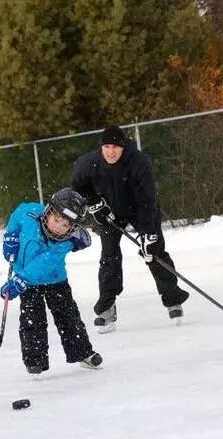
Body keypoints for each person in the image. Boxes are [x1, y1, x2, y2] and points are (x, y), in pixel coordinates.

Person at [70, 125, 189, 332]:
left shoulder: (139, 162)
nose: (110, 152)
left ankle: (173, 299)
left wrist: (149, 233)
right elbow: (77, 184)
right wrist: (94, 202)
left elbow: (148, 200)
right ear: (101, 148)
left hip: (139, 209)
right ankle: (106, 309)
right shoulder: (90, 162)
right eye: (106, 147)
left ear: (123, 147)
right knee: (109, 256)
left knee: (154, 252)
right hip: (109, 210)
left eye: (115, 147)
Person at [0, 188, 103, 374]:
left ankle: (82, 352)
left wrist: (21, 279)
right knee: (32, 320)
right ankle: (35, 360)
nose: (59, 227)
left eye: (66, 225)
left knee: (68, 317)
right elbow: (17, 215)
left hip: (54, 280)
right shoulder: (30, 213)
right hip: (27, 280)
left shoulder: (65, 242)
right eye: (56, 220)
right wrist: (11, 236)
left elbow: (43, 263)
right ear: (48, 212)